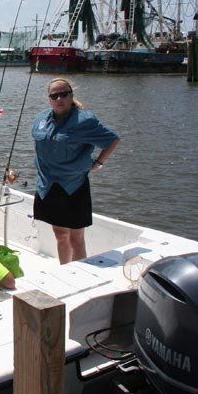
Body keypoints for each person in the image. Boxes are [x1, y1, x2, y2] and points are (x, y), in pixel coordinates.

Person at [32, 77, 120, 264]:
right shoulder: (41, 119)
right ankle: (65, 269)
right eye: (54, 95)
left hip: (73, 186)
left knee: (76, 238)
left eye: (64, 94)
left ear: (72, 96)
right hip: (48, 186)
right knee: (60, 235)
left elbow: (112, 140)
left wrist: (99, 162)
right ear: (49, 99)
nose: (59, 99)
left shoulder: (84, 120)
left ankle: (80, 274)